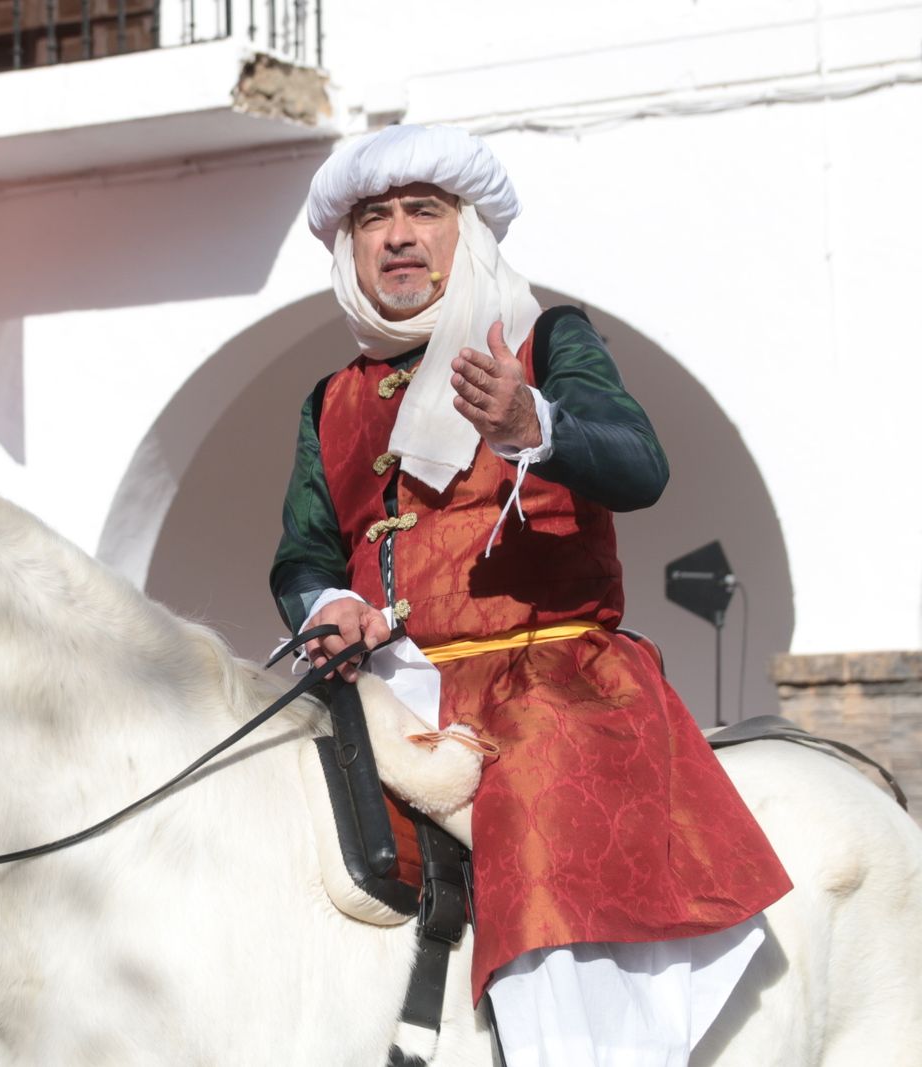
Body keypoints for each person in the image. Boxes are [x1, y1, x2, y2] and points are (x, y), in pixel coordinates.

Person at [269, 124, 792, 1066]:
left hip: (548, 678)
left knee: (541, 799)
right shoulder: (329, 399)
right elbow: (304, 552)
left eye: (423, 212)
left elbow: (639, 466)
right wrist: (323, 607)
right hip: (387, 691)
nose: (396, 236)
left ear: (466, 231)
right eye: (373, 219)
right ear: (348, 249)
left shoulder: (551, 340)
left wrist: (532, 420)